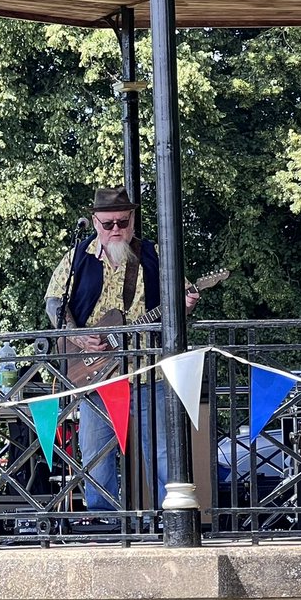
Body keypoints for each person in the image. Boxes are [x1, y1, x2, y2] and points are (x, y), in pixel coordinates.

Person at [44, 186, 199, 512]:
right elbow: (55, 302)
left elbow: (180, 300)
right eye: (108, 224)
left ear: (132, 220)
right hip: (95, 375)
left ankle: (171, 517)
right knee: (95, 452)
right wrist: (77, 336)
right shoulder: (77, 257)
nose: (116, 230)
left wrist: (186, 306)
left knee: (160, 451)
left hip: (147, 372)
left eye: (122, 223)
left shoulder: (154, 255)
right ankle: (104, 522)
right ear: (95, 222)